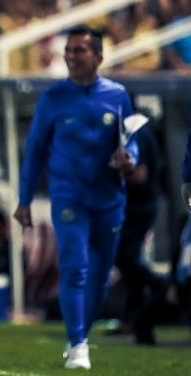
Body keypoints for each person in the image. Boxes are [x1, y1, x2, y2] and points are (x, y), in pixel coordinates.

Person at [13, 25, 137, 369]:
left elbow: (131, 142)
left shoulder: (118, 95)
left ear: (98, 56)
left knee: (99, 276)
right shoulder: (52, 99)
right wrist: (24, 199)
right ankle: (77, 342)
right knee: (75, 267)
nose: (70, 56)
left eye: (78, 50)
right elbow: (35, 152)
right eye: (67, 50)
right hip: (69, 198)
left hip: (110, 199)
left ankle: (82, 332)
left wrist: (130, 160)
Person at [114, 117, 162, 342]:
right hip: (136, 206)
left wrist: (112, 170)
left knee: (125, 257)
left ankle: (161, 285)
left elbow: (139, 173)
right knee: (127, 260)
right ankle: (131, 319)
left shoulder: (136, 134)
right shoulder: (137, 131)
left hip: (139, 207)